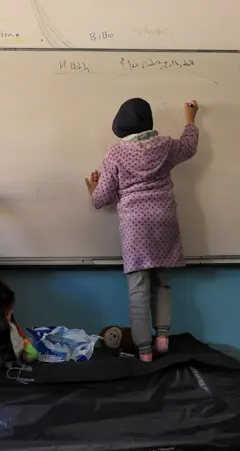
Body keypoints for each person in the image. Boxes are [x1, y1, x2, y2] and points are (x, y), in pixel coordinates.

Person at [85, 98, 199, 362]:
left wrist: (93, 190)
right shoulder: (165, 145)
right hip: (164, 220)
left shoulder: (115, 154)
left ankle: (145, 351)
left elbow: (102, 199)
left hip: (136, 226)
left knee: (138, 288)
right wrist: (190, 120)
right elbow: (189, 147)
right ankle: (162, 339)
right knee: (162, 282)